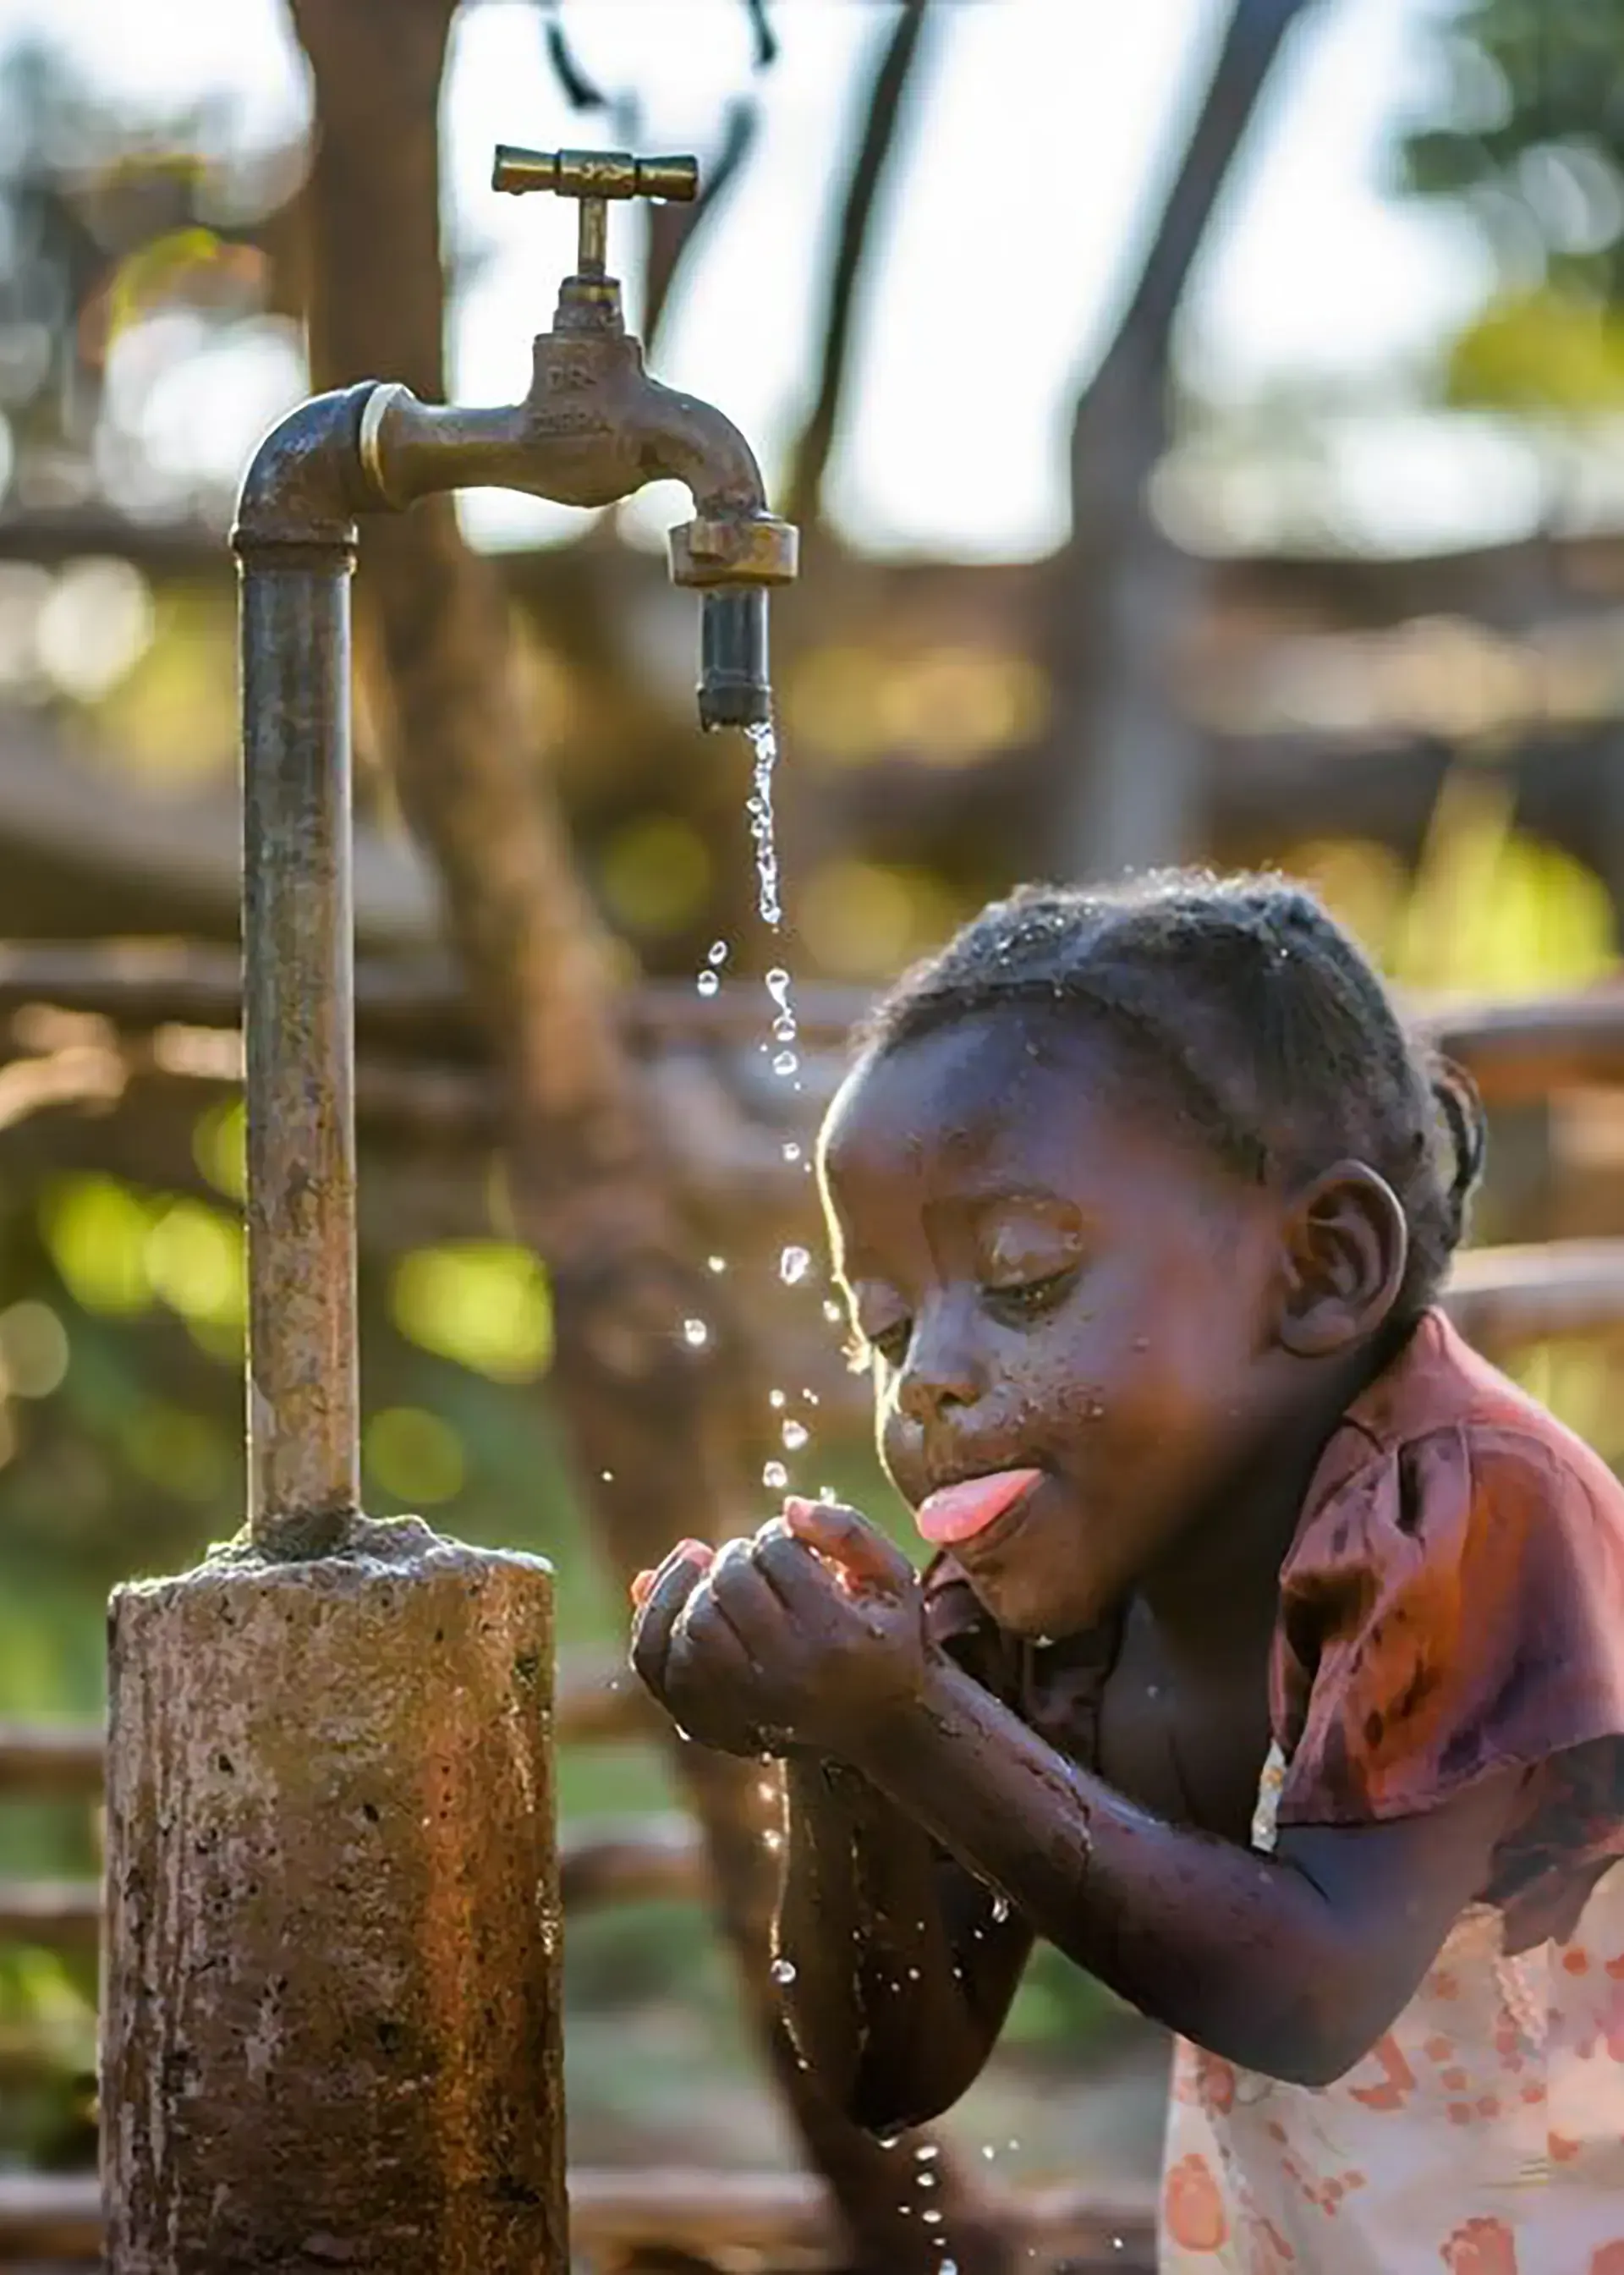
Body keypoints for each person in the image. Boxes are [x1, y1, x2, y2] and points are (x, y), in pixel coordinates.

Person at [629, 870, 1624, 2273]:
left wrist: (906, 1717)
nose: (932, 1384)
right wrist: (838, 1745)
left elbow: (1310, 2000)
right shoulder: (1055, 1573)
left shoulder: (1468, 1506)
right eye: (888, 1329)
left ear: (1321, 1270)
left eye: (1025, 1280)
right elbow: (892, 2064)